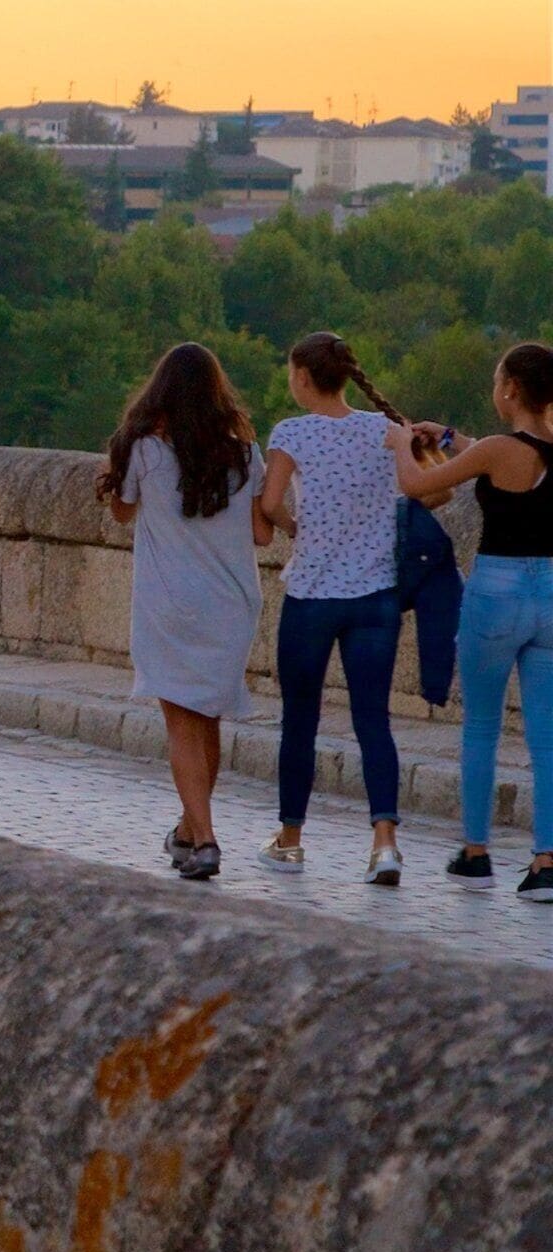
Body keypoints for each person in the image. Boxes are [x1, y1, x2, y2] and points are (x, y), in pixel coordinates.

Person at [96, 342, 267, 882]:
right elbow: (261, 530)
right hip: (233, 602)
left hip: (170, 600)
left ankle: (207, 838)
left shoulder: (145, 450)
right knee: (207, 717)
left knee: (179, 720)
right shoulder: (245, 454)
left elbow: (122, 512)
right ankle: (191, 829)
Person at [392, 339, 553, 899]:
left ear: (510, 389)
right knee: (547, 738)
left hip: (497, 589)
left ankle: (476, 850)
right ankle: (545, 860)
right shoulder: (524, 448)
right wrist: (446, 437)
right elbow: (496, 456)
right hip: (551, 595)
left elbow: (419, 485)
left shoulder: (496, 450)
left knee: (482, 726)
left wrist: (399, 445)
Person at [258, 332, 411, 883]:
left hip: (312, 597)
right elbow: (420, 489)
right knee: (374, 720)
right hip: (375, 599)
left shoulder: (291, 433)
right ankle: (385, 844)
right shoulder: (383, 430)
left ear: (302, 377)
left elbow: (270, 504)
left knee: (300, 721)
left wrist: (299, 529)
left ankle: (292, 839)